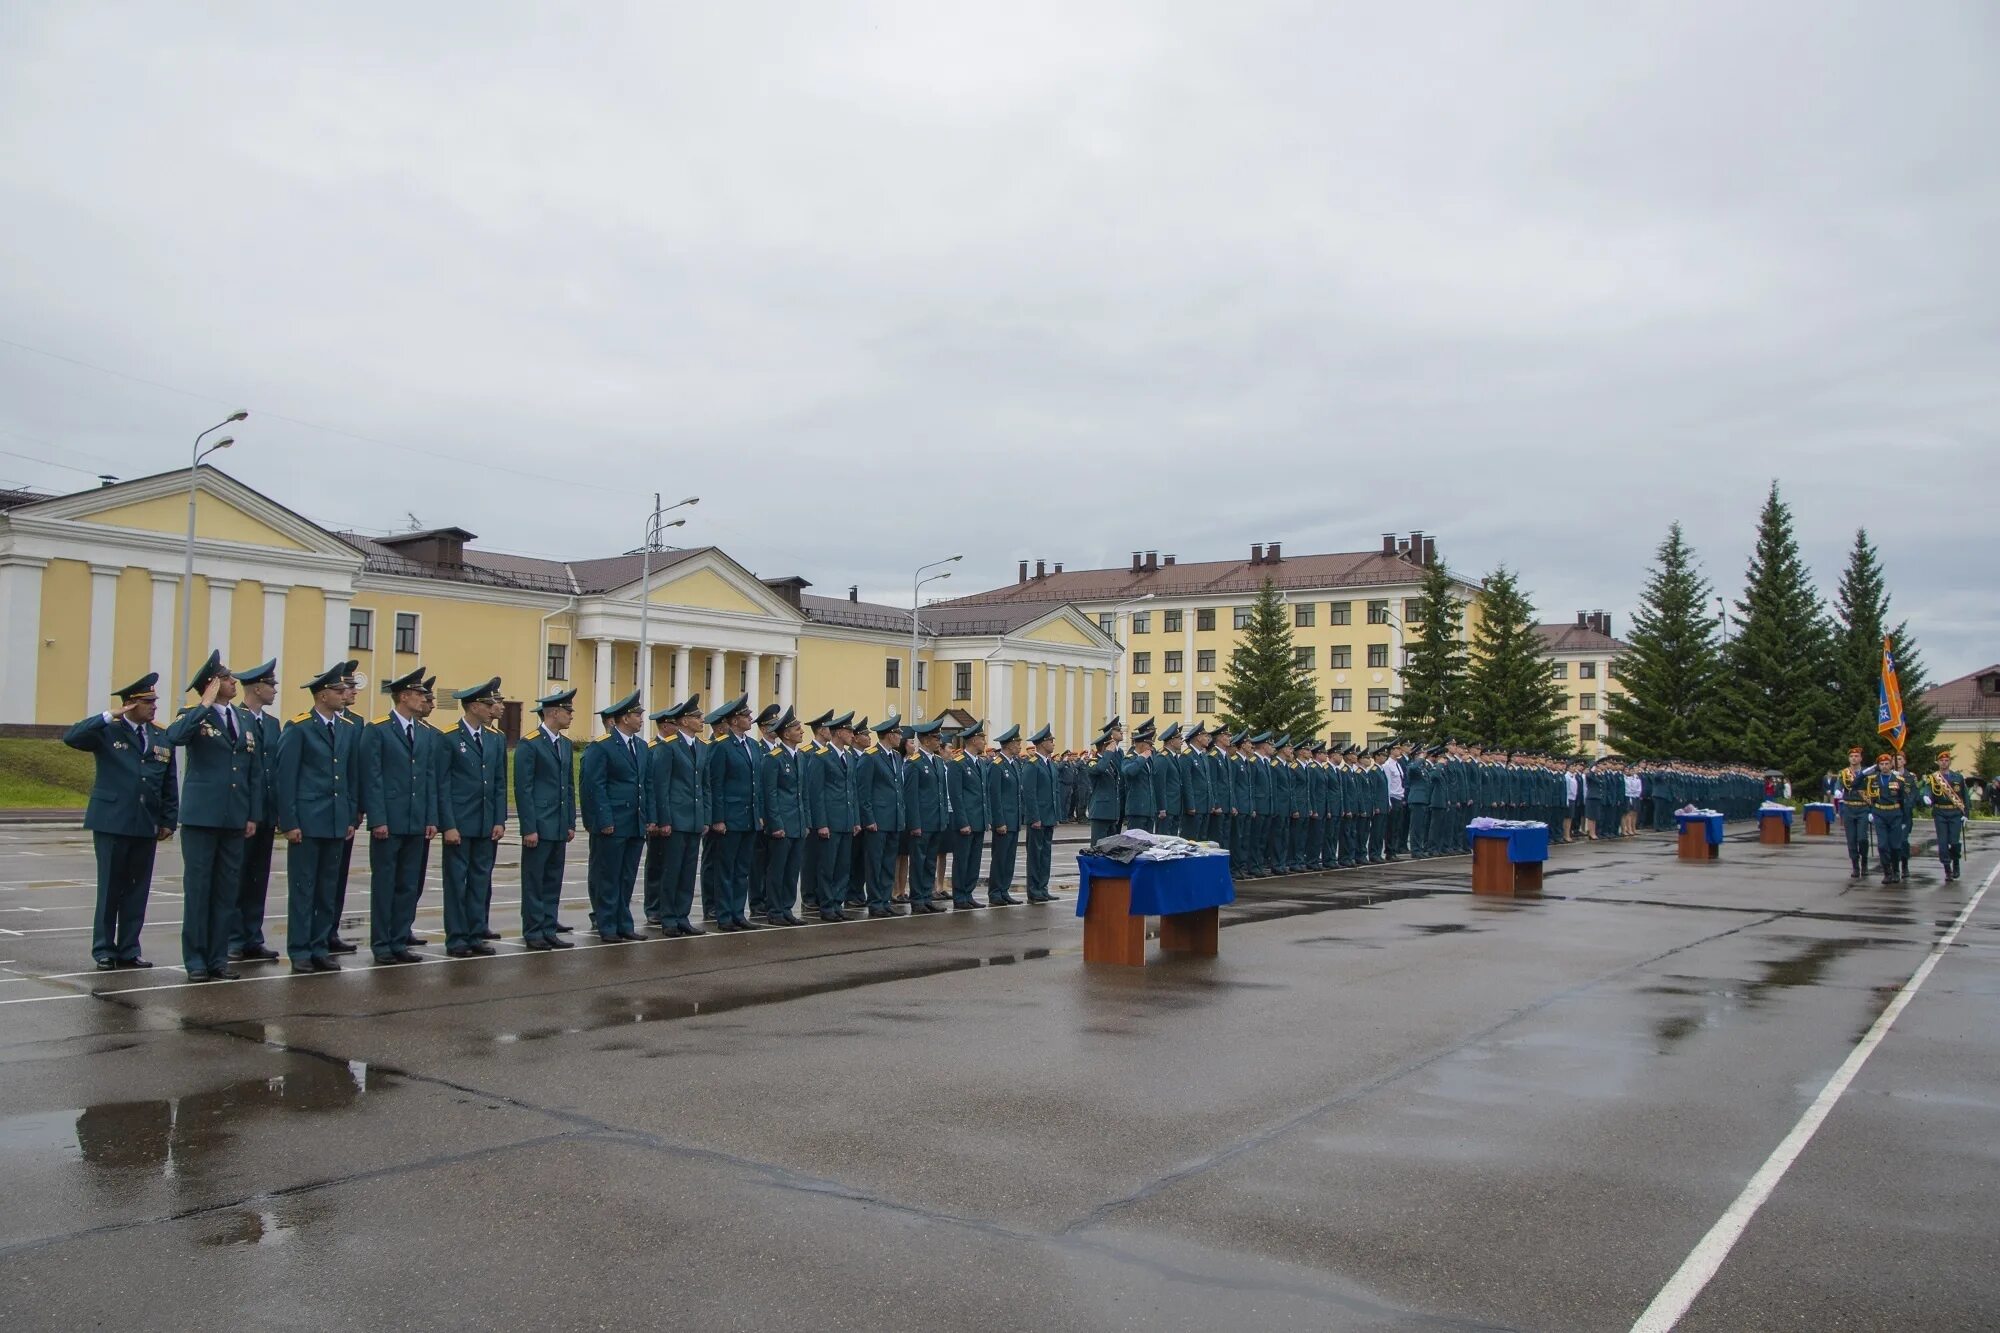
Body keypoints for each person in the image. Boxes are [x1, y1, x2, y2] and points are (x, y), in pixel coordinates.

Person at [65, 673, 177, 971]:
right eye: (147, 702)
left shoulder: (160, 736)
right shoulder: (107, 731)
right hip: (112, 821)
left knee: (137, 889)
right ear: (129, 705)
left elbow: (168, 782)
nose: (154, 706)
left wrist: (168, 819)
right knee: (110, 888)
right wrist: (106, 716)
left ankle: (129, 948)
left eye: (155, 701)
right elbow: (72, 737)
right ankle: (104, 949)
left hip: (145, 822)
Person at [163, 650, 262, 982]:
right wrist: (204, 703)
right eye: (227, 678)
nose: (234, 682)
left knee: (225, 891)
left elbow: (252, 771)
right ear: (212, 684)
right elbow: (174, 738)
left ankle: (218, 959)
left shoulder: (244, 718)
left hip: (234, 817)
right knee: (199, 889)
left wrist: (251, 813)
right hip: (201, 818)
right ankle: (195, 960)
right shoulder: (193, 714)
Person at [274, 663, 361, 972]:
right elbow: (286, 779)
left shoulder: (347, 728)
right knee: (304, 889)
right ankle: (300, 950)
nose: (345, 695)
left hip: (336, 820)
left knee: (327, 889)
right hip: (308, 821)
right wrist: (290, 822)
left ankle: (320, 946)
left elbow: (350, 777)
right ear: (323, 695)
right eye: (339, 691)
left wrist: (350, 815)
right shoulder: (299, 728)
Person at [360, 667, 438, 964]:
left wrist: (431, 817)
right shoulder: (378, 729)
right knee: (385, 884)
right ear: (403, 696)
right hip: (390, 821)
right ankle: (382, 944)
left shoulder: (423, 732)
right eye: (419, 694)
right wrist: (378, 819)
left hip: (416, 820)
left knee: (407, 883)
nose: (424, 699)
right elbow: (373, 777)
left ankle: (399, 939)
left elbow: (428, 777)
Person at [439, 678, 510, 956]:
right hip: (460, 823)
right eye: (489, 703)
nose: (494, 707)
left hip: (485, 822)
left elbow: (499, 782)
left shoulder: (495, 738)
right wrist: (448, 824)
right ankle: (457, 937)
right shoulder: (448, 737)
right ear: (474, 706)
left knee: (481, 880)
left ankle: (475, 933)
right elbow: (442, 785)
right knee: (457, 882)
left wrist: (499, 820)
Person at [515, 688, 579, 950]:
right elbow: (524, 788)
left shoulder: (564, 744)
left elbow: (568, 786)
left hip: (558, 824)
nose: (571, 716)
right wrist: (529, 827)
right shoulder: (530, 743)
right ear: (553, 712)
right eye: (568, 711)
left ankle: (549, 928)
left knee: (553, 880)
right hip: (539, 825)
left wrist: (570, 822)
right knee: (535, 881)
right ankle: (533, 931)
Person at [583, 690, 649, 942]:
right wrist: (604, 820)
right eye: (636, 714)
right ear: (623, 718)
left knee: (627, 875)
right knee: (607, 875)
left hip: (634, 822)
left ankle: (623, 922)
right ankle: (607, 923)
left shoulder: (641, 747)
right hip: (613, 822)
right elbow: (595, 786)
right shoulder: (603, 747)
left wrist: (647, 817)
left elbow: (646, 785)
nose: (641, 718)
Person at [229, 658, 283, 963]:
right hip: (242, 812)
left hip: (265, 812)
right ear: (256, 687)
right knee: (237, 877)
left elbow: (274, 769)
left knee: (257, 878)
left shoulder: (272, 724)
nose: (274, 690)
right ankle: (234, 938)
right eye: (271, 685)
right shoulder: (235, 718)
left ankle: (253, 936)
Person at [641, 694, 706, 936]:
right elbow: (661, 786)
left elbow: (704, 786)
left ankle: (682, 916)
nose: (702, 721)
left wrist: (705, 817)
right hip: (676, 820)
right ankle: (668, 917)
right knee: (672, 870)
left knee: (688, 872)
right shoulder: (668, 747)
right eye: (698, 717)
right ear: (684, 721)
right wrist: (664, 820)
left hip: (694, 819)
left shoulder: (701, 747)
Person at [702, 693, 764, 931]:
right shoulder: (721, 746)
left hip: (749, 817)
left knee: (742, 869)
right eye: (745, 716)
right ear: (733, 720)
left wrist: (758, 814)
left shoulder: (753, 746)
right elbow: (715, 784)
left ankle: (738, 913)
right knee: (725, 869)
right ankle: (725, 914)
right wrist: (718, 818)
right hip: (730, 817)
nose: (750, 719)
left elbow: (756, 783)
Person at [805, 711, 860, 921]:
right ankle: (827, 905)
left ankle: (838, 903)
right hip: (830, 820)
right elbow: (816, 792)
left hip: (846, 820)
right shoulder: (821, 757)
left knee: (843, 866)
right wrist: (821, 823)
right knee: (827, 866)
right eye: (849, 731)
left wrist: (855, 820)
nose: (852, 735)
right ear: (838, 732)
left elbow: (851, 790)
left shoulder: (848, 757)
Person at [757, 706, 808, 926]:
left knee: (792, 869)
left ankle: (787, 907)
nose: (801, 731)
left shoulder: (800, 757)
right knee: (777, 869)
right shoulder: (773, 758)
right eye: (797, 728)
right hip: (782, 823)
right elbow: (770, 794)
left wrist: (805, 822)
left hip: (797, 823)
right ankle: (775, 910)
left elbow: (802, 793)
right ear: (786, 733)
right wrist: (775, 824)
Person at [857, 713, 907, 918]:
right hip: (877, 820)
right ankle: (875, 901)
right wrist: (868, 819)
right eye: (898, 733)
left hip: (893, 819)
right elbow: (864, 791)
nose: (900, 737)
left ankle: (885, 900)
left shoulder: (895, 757)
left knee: (888, 862)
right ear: (888, 735)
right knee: (875, 863)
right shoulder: (870, 757)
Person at [902, 718, 950, 914]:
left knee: (930, 861)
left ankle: (926, 895)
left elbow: (941, 792)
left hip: (936, 820)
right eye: (935, 737)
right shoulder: (914, 763)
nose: (939, 740)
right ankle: (917, 899)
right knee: (919, 861)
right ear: (925, 740)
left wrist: (943, 818)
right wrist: (914, 824)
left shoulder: (937, 761)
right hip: (922, 821)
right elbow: (910, 796)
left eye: (939, 737)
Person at [949, 719, 990, 908]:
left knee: (974, 860)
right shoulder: (958, 763)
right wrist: (963, 821)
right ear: (973, 740)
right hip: (966, 821)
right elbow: (956, 796)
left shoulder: (980, 763)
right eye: (982, 739)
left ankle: (969, 893)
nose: (984, 742)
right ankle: (959, 895)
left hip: (979, 820)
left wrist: (986, 818)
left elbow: (983, 794)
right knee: (962, 859)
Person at [1019, 725, 1061, 902]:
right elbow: (1029, 793)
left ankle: (1042, 887)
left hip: (1048, 816)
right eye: (1051, 741)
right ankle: (1034, 890)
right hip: (1038, 817)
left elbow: (1054, 792)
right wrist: (1034, 817)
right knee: (1035, 855)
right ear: (1043, 743)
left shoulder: (1049, 763)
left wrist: (1056, 814)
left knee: (1045, 854)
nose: (1053, 743)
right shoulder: (1032, 764)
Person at [985, 724, 1024, 906]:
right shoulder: (997, 765)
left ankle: (1004, 890)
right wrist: (998, 820)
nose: (1020, 745)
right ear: (1008, 745)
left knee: (1009, 858)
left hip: (1014, 819)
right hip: (1004, 820)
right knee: (1000, 858)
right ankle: (995, 892)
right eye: (1017, 742)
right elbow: (995, 795)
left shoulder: (1014, 764)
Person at [1862, 753, 1911, 885]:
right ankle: (1887, 872)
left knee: (1895, 846)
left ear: (1891, 765)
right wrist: (1870, 812)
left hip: (1895, 814)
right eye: (1881, 764)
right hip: (1879, 813)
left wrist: (1905, 821)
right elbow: (1869, 797)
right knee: (1883, 845)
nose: (1884, 766)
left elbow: (1904, 800)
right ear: (1878, 766)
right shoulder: (1872, 780)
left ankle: (1896, 870)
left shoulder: (1899, 780)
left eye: (1887, 764)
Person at [1921, 747, 1967, 881]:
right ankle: (1947, 868)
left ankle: (1956, 863)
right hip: (1940, 812)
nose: (1944, 763)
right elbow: (1928, 790)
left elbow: (1964, 796)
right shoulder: (1934, 778)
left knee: (1954, 842)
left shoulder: (1958, 777)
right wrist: (1926, 797)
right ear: (1938, 762)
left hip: (1954, 812)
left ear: (1950, 762)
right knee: (1942, 842)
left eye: (1947, 760)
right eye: (1942, 760)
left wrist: (1966, 814)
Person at [1835, 746, 1873, 879]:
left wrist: (1871, 810)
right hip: (1849, 808)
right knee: (1851, 839)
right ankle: (1855, 866)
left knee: (1862, 838)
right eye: (1851, 756)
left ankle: (1865, 862)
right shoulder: (1844, 773)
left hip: (1863, 808)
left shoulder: (1867, 772)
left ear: (1861, 758)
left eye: (1856, 756)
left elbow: (1872, 790)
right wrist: (1838, 790)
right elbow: (1839, 784)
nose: (1854, 758)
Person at [1121, 720, 1161, 834]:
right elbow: (1129, 772)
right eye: (1149, 745)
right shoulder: (1130, 758)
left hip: (1149, 810)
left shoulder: (1148, 759)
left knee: (1148, 844)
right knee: (1135, 843)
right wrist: (1142, 758)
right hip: (1137, 810)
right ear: (1142, 745)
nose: (1151, 748)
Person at [1085, 727, 1122, 842]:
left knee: (1111, 848)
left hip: (1112, 812)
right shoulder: (1093, 762)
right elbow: (1099, 769)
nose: (1113, 747)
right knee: (1098, 847)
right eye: (1110, 745)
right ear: (1104, 747)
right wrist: (1108, 753)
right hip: (1100, 812)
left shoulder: (1110, 762)